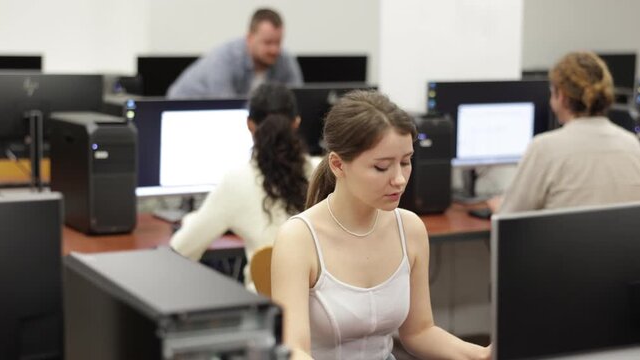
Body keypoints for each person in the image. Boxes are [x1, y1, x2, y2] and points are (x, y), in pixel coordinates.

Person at [271, 90, 491, 360]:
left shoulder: (410, 228)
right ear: (338, 165)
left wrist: (483, 355)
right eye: (382, 167)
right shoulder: (299, 238)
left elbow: (419, 332)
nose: (399, 179)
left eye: (406, 161)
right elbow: (295, 350)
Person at [170, 83, 316, 290]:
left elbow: (181, 249)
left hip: (271, 311)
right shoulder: (325, 173)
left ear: (250, 125)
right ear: (296, 123)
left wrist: (190, 221)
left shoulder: (237, 181)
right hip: (323, 310)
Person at [489, 51, 640, 214]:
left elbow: (509, 216)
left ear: (560, 95)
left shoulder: (545, 148)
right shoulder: (632, 144)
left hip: (564, 240)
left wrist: (497, 207)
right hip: (622, 240)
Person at [167, 8, 303, 99]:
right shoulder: (224, 59)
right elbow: (226, 109)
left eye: (278, 43)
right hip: (184, 113)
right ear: (249, 38)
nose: (274, 49)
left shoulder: (285, 60)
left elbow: (297, 100)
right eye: (267, 43)